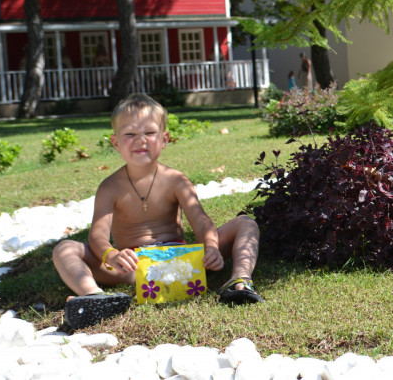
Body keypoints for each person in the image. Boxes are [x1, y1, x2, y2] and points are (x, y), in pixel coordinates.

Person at [53, 94, 262, 329]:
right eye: (130, 134)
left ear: (164, 139)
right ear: (116, 143)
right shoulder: (109, 187)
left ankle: (239, 281)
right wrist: (112, 255)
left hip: (183, 262)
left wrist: (212, 247)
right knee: (65, 248)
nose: (140, 140)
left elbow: (202, 222)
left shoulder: (176, 180)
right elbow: (98, 235)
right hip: (132, 268)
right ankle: (95, 296)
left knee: (245, 223)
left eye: (149, 133)